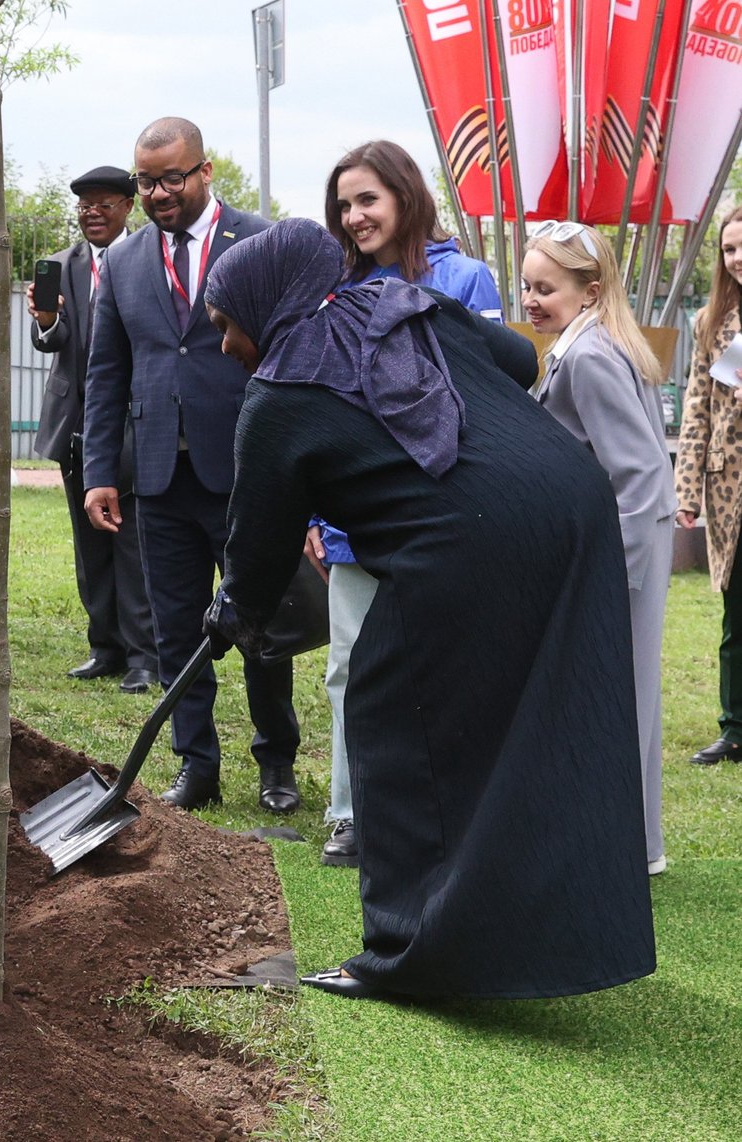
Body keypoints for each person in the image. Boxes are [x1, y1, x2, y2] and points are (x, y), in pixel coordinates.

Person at [202, 217, 655, 1001]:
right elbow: (515, 360)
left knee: (390, 712)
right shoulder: (404, 303)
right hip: (572, 503)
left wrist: (232, 611)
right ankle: (557, 934)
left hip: (474, 541)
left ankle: (409, 957)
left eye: (224, 324)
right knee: (538, 715)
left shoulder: (278, 394)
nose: (224, 345)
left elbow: (258, 541)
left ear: (261, 304)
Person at [81, 117, 298, 813]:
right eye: (146, 181)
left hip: (247, 469)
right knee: (175, 626)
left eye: (172, 177)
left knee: (261, 625)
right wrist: (98, 473)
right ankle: (195, 765)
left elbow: (294, 356)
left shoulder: (263, 241)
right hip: (157, 476)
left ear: (206, 172)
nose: (158, 193)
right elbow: (105, 373)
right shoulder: (122, 260)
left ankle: (276, 765)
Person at [314, 140, 504, 867]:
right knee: (350, 668)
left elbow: (488, 398)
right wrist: (314, 513)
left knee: (445, 666)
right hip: (355, 513)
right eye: (344, 205)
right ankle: (352, 814)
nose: (354, 216)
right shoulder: (333, 286)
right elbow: (319, 405)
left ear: (404, 194)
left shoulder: (465, 278)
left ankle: (447, 813)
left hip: (443, 507)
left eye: (367, 199)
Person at [524, 220, 673, 877]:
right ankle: (634, 845)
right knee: (628, 694)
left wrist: (620, 573)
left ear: (588, 292)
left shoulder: (586, 356)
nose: (530, 300)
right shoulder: (599, 342)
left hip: (621, 553)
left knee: (614, 694)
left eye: (545, 288)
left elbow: (640, 473)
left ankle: (618, 848)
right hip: (626, 547)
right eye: (526, 285)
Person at [28, 166, 158, 694]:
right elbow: (52, 343)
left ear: (128, 207)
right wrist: (44, 322)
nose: (92, 213)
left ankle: (144, 656)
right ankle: (104, 647)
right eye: (84, 206)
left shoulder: (150, 259)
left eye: (104, 204)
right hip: (76, 425)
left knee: (133, 543)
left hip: (136, 423)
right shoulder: (62, 266)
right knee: (90, 545)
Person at [675, 206, 742, 768]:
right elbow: (697, 410)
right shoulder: (710, 321)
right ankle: (734, 728)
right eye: (728, 249)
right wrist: (687, 492)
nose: (737, 258)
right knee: (735, 613)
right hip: (730, 487)